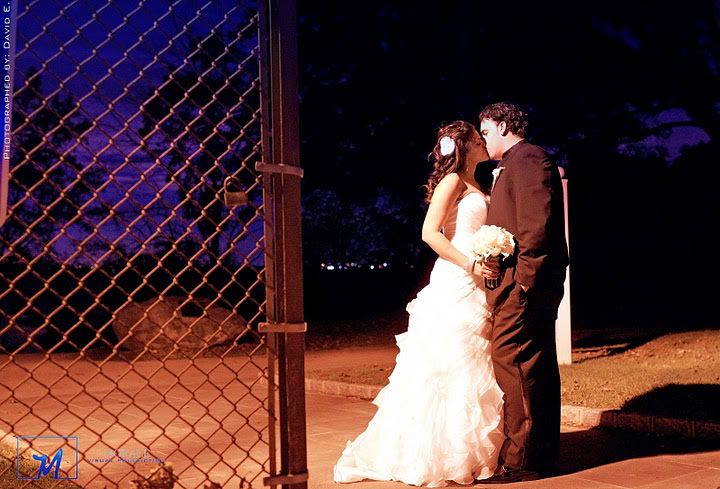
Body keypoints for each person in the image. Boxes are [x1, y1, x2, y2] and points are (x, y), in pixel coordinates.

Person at [333, 121, 504, 487]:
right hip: (456, 278)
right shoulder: (453, 181)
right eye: (477, 139)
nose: (482, 143)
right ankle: (437, 455)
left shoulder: (477, 182)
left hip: (477, 281)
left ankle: (468, 452)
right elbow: (429, 233)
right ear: (465, 147)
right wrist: (470, 263)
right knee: (448, 363)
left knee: (473, 362)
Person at [477, 102, 569, 483]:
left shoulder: (529, 159)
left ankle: (522, 459)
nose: (483, 140)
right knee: (533, 366)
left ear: (503, 126)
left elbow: (536, 227)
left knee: (512, 360)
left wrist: (525, 283)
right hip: (519, 285)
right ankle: (540, 456)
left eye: (486, 131)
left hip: (527, 286)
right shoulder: (511, 164)